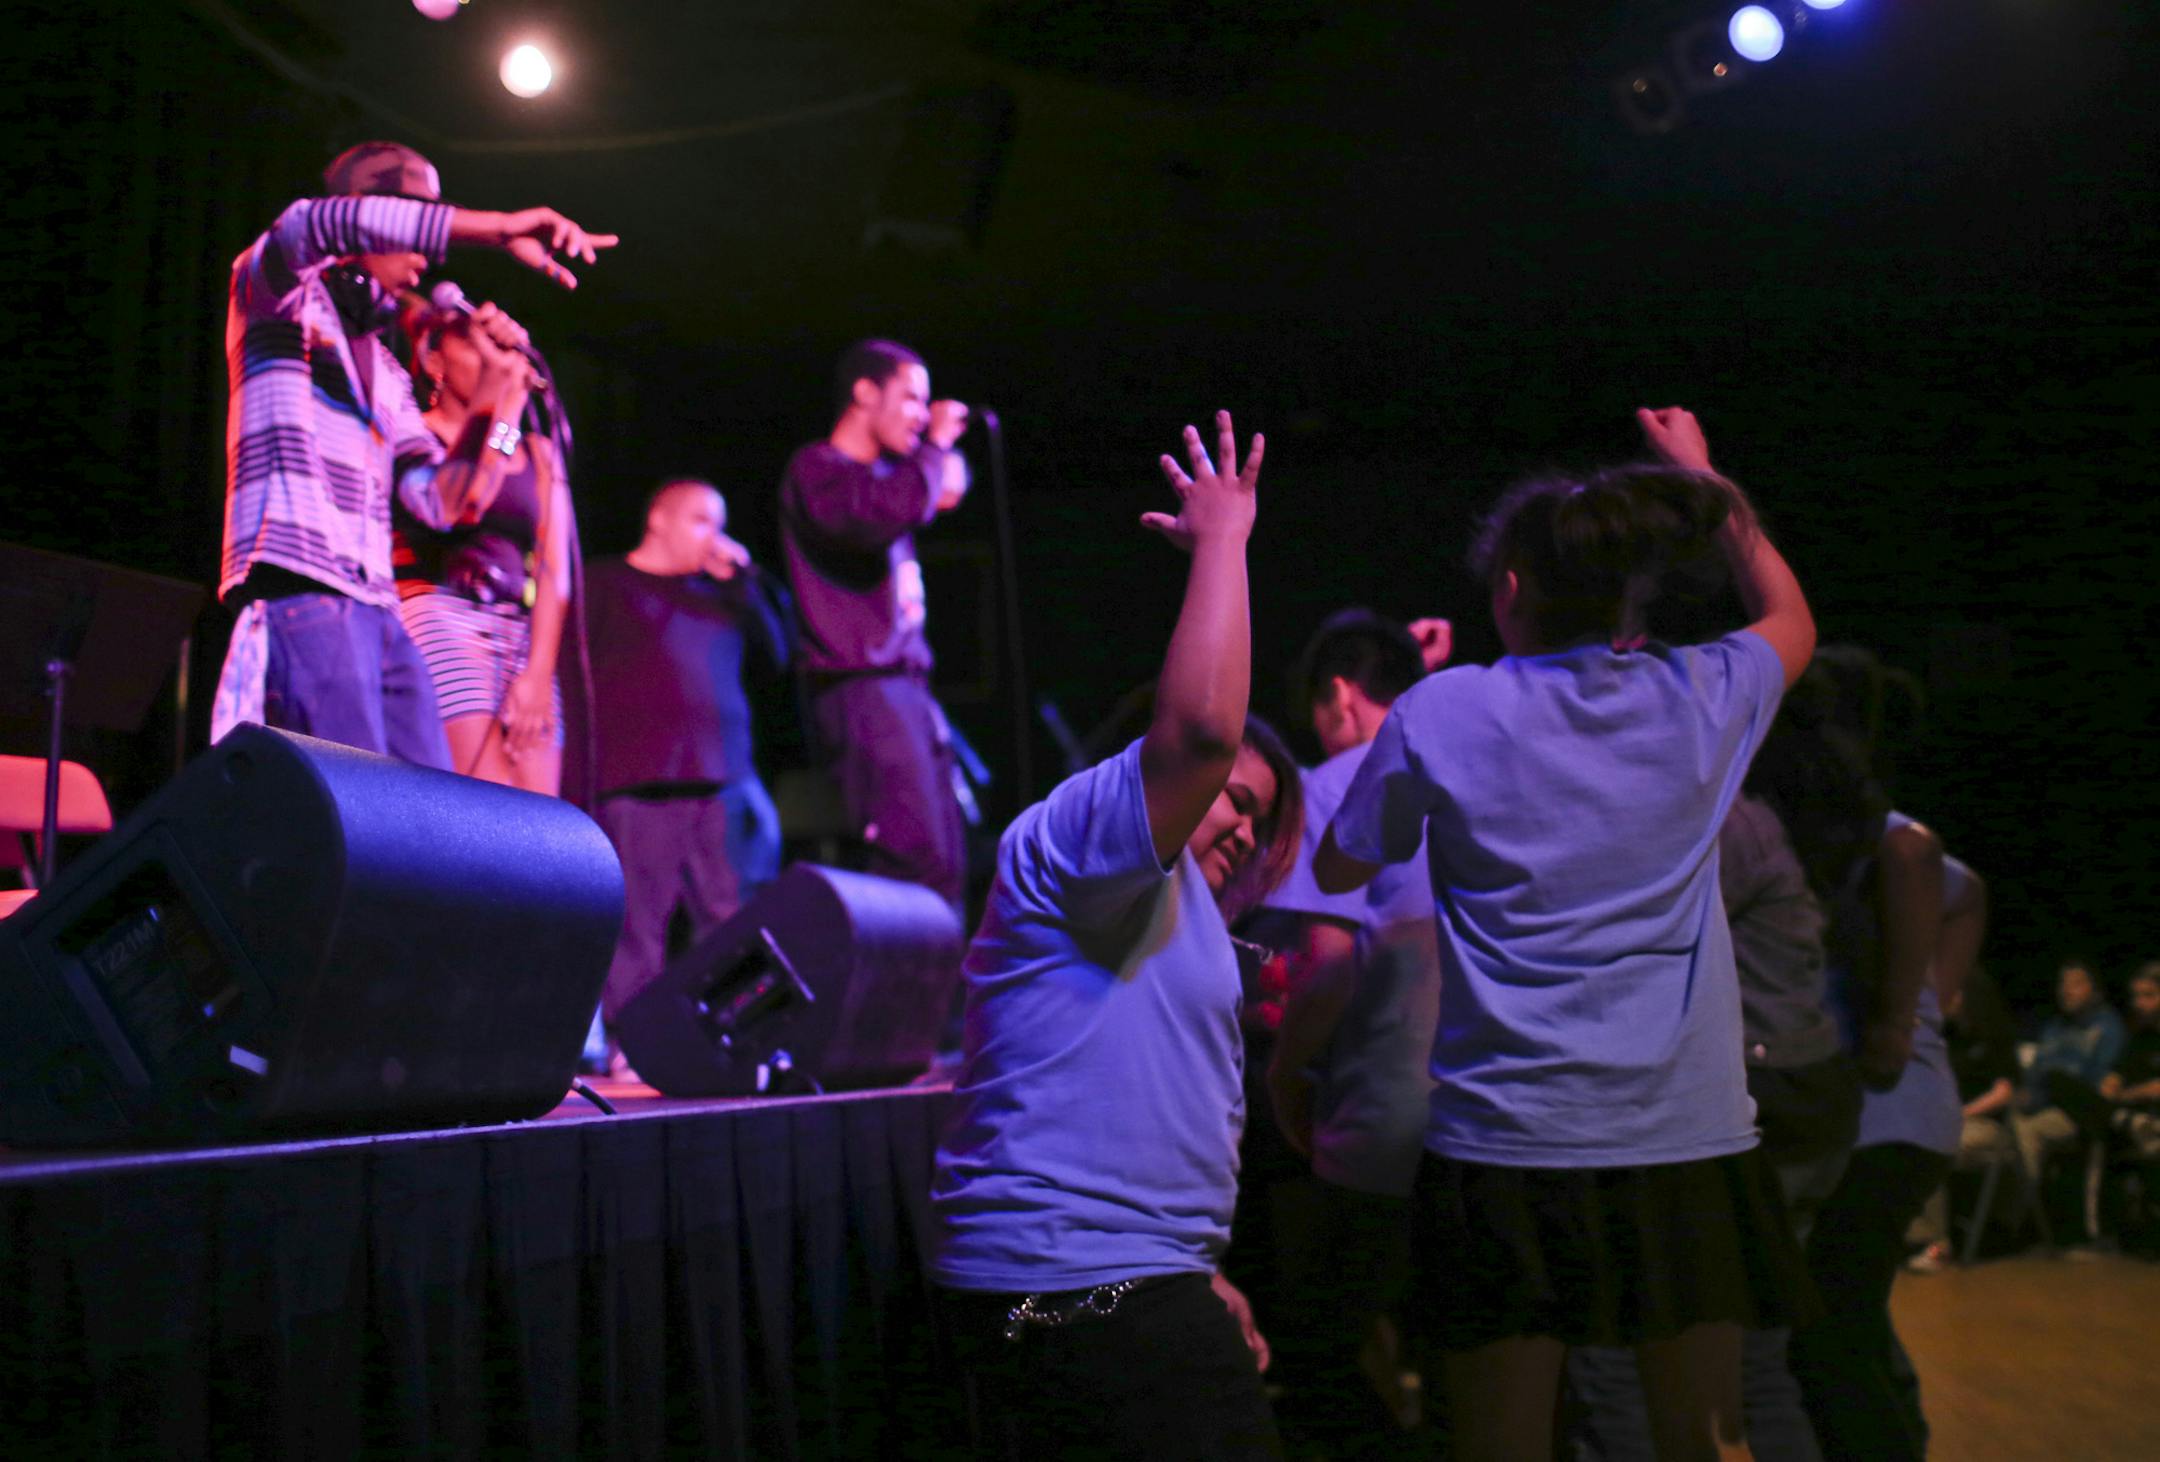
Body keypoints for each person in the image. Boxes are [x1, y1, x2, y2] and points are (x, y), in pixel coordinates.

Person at [1313, 407, 1818, 1462]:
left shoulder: (1445, 711)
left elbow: (1339, 864)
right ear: (1632, 595)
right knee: (1705, 1444)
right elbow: (1789, 614)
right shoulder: (1700, 693)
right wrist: (1706, 478)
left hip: (1506, 1140)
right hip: (1682, 1133)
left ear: (1508, 590)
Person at [932, 413, 1301, 1460]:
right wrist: (1225, 540)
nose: (1243, 823)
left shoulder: (1180, 922)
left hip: (1112, 1278)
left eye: (1263, 814)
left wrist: (1197, 1271)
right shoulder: (1083, 832)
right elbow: (1199, 730)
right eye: (1232, 798)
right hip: (1071, 1289)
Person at [211, 139, 615, 766]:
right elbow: (308, 223)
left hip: (380, 609)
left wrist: (498, 407)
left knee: (423, 817)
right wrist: (497, 229)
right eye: (417, 216)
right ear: (365, 211)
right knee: (354, 812)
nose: (429, 247)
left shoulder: (389, 375)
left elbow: (442, 501)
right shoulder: (277, 291)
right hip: (306, 584)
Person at [1569, 786, 1862, 1462]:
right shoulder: (1758, 813)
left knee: (1618, 1351)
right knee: (1754, 1364)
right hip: (1802, 1090)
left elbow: (1632, 943)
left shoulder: (1718, 817)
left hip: (1756, 1095)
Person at [1257, 609, 1444, 1454]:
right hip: (1498, 1113)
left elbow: (1330, 964)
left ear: (1338, 694)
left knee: (1330, 1347)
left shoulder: (1333, 783)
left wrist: (1286, 1076)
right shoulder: (1466, 764)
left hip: (1381, 1121)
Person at [583, 479, 791, 1024]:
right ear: (659, 519)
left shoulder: (722, 595)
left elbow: (780, 654)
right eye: (702, 521)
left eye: (720, 525)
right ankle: (634, 1042)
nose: (714, 538)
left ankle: (738, 1033)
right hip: (639, 779)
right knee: (638, 926)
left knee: (730, 921)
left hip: (721, 779)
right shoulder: (604, 582)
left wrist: (747, 581)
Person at [779, 339, 972, 907]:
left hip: (908, 689)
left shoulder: (891, 479)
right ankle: (898, 996)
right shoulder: (819, 470)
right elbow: (877, 511)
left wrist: (935, 463)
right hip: (863, 688)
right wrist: (933, 448)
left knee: (948, 860)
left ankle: (940, 994)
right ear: (865, 392)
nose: (921, 415)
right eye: (912, 398)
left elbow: (924, 492)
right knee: (912, 862)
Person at [392, 301, 573, 791]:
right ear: (435, 361)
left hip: (519, 631)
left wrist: (538, 673)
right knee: (485, 803)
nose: (496, 359)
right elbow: (472, 495)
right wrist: (506, 406)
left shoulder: (536, 452)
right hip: (441, 615)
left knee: (541, 820)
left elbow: (554, 568)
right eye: (478, 347)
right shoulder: (415, 438)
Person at [1906, 965, 2019, 1272]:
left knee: (1933, 1146)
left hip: (1991, 1128)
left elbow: (2004, 1092)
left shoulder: (1995, 1037)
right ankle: (1910, 1238)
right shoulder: (1948, 1039)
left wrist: (1961, 1113)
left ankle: (1937, 1244)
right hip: (1949, 1123)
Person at [2010, 961, 2128, 1196]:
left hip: (2073, 1111)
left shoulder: (2108, 1027)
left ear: (2095, 990)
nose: (2066, 989)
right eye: (2063, 983)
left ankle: (2012, 1219)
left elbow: (2101, 1082)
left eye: (2076, 983)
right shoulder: (2053, 1028)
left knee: (2024, 1132)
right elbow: (2034, 1072)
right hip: (2037, 1102)